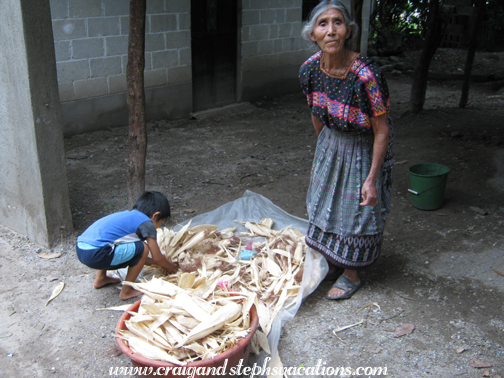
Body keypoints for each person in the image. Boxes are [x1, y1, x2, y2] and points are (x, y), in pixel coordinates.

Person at [299, 0, 394, 300]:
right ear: (312, 34)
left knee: (355, 211)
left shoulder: (367, 76)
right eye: (322, 24)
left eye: (337, 22)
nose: (330, 30)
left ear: (348, 30)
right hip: (331, 141)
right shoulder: (309, 70)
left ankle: (351, 273)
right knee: (322, 203)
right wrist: (325, 148)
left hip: (362, 147)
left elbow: (382, 130)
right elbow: (315, 110)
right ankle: (331, 260)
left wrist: (371, 177)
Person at [76, 191, 178, 300]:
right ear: (155, 215)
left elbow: (143, 258)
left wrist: (153, 263)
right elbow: (157, 258)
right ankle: (127, 291)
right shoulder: (147, 223)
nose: (158, 226)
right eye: (160, 222)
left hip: (81, 249)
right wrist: (172, 267)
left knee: (110, 242)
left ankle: (100, 279)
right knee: (143, 248)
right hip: (97, 254)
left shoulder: (128, 216)